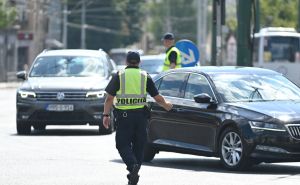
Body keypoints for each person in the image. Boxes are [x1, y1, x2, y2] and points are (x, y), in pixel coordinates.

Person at [102, 51, 173, 185]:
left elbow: (109, 98)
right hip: (141, 118)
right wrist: (167, 105)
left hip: (124, 118)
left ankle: (132, 166)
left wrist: (105, 115)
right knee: (139, 146)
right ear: (139, 62)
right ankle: (134, 172)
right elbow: (157, 97)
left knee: (122, 144)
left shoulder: (120, 75)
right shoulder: (144, 75)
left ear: (126, 62)